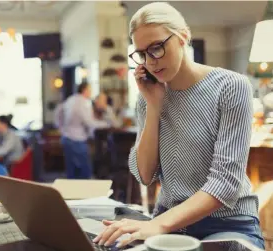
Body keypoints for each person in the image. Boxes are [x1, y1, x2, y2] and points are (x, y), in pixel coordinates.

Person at [93, 2, 264, 249]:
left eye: (157, 48)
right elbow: (145, 174)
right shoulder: (148, 96)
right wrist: (153, 106)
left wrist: (159, 225)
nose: (150, 61)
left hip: (227, 224)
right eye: (141, 53)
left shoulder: (231, 86)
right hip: (169, 222)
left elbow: (226, 182)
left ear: (183, 36)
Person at [55, 82, 110, 179]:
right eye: (90, 90)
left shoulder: (70, 99)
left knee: (71, 173)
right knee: (85, 172)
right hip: (77, 140)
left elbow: (58, 112)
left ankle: (71, 194)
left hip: (66, 138)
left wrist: (61, 128)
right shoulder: (84, 102)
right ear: (85, 90)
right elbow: (89, 122)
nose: (91, 92)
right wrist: (105, 124)